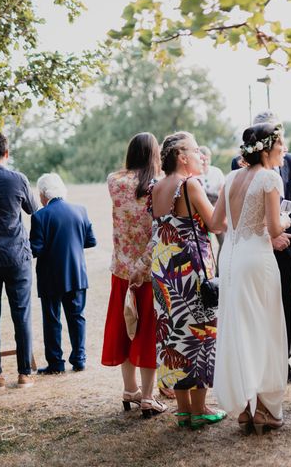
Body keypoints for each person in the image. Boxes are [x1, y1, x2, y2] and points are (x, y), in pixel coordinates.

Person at [212, 122, 290, 435]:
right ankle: (266, 411)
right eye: (281, 145)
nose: (284, 150)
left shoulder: (230, 177)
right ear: (269, 148)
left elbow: (217, 222)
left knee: (236, 328)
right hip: (256, 260)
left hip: (230, 258)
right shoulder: (270, 178)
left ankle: (245, 410)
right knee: (263, 328)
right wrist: (285, 219)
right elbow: (273, 228)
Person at [146, 131, 225, 428]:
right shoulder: (189, 184)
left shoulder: (157, 186)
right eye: (196, 151)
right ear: (181, 156)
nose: (201, 156)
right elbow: (216, 223)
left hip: (164, 268)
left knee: (174, 335)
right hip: (189, 270)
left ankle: (183, 411)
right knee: (200, 334)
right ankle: (200, 408)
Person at [232, 110, 291, 385]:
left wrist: (283, 234)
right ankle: (258, 361)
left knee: (286, 305)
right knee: (256, 306)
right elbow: (242, 207)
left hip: (287, 247)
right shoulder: (238, 164)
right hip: (256, 245)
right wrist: (269, 235)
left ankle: (284, 362)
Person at [101, 132, 168, 417]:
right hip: (148, 270)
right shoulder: (157, 186)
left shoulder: (114, 182)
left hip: (121, 269)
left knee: (125, 329)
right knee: (147, 332)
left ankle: (130, 389)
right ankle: (149, 396)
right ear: (154, 155)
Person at [30, 173, 97, 374]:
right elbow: (91, 241)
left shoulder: (40, 216)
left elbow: (36, 248)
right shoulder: (80, 210)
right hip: (76, 273)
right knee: (77, 317)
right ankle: (79, 359)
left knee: (52, 319)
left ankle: (56, 363)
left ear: (43, 194)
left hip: (50, 276)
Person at [0, 131, 39, 391]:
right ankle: (23, 374)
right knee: (21, 314)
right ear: (6, 153)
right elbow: (34, 211)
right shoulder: (17, 179)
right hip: (16, 256)